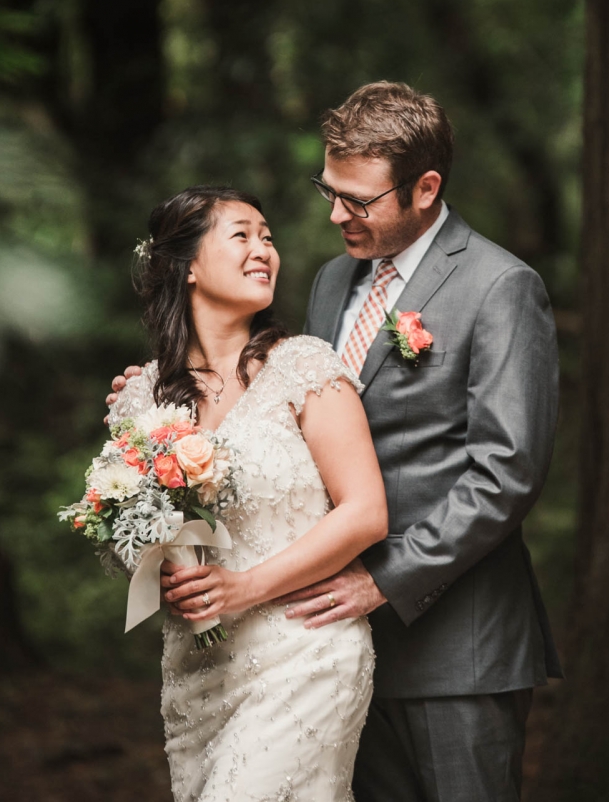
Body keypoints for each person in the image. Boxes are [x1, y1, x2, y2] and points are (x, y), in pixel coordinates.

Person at [110, 82, 563, 802]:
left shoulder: (498, 286)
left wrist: (386, 579)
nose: (334, 214)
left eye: (357, 200)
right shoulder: (330, 283)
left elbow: (506, 473)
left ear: (425, 188)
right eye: (329, 190)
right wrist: (164, 404)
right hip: (323, 649)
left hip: (454, 646)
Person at [106, 185, 388, 802]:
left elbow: (366, 514)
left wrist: (244, 588)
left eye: (268, 236)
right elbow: (129, 534)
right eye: (242, 235)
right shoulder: (144, 397)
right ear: (187, 267)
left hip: (303, 649)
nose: (265, 249)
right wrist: (165, 572)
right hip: (197, 673)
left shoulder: (304, 367)